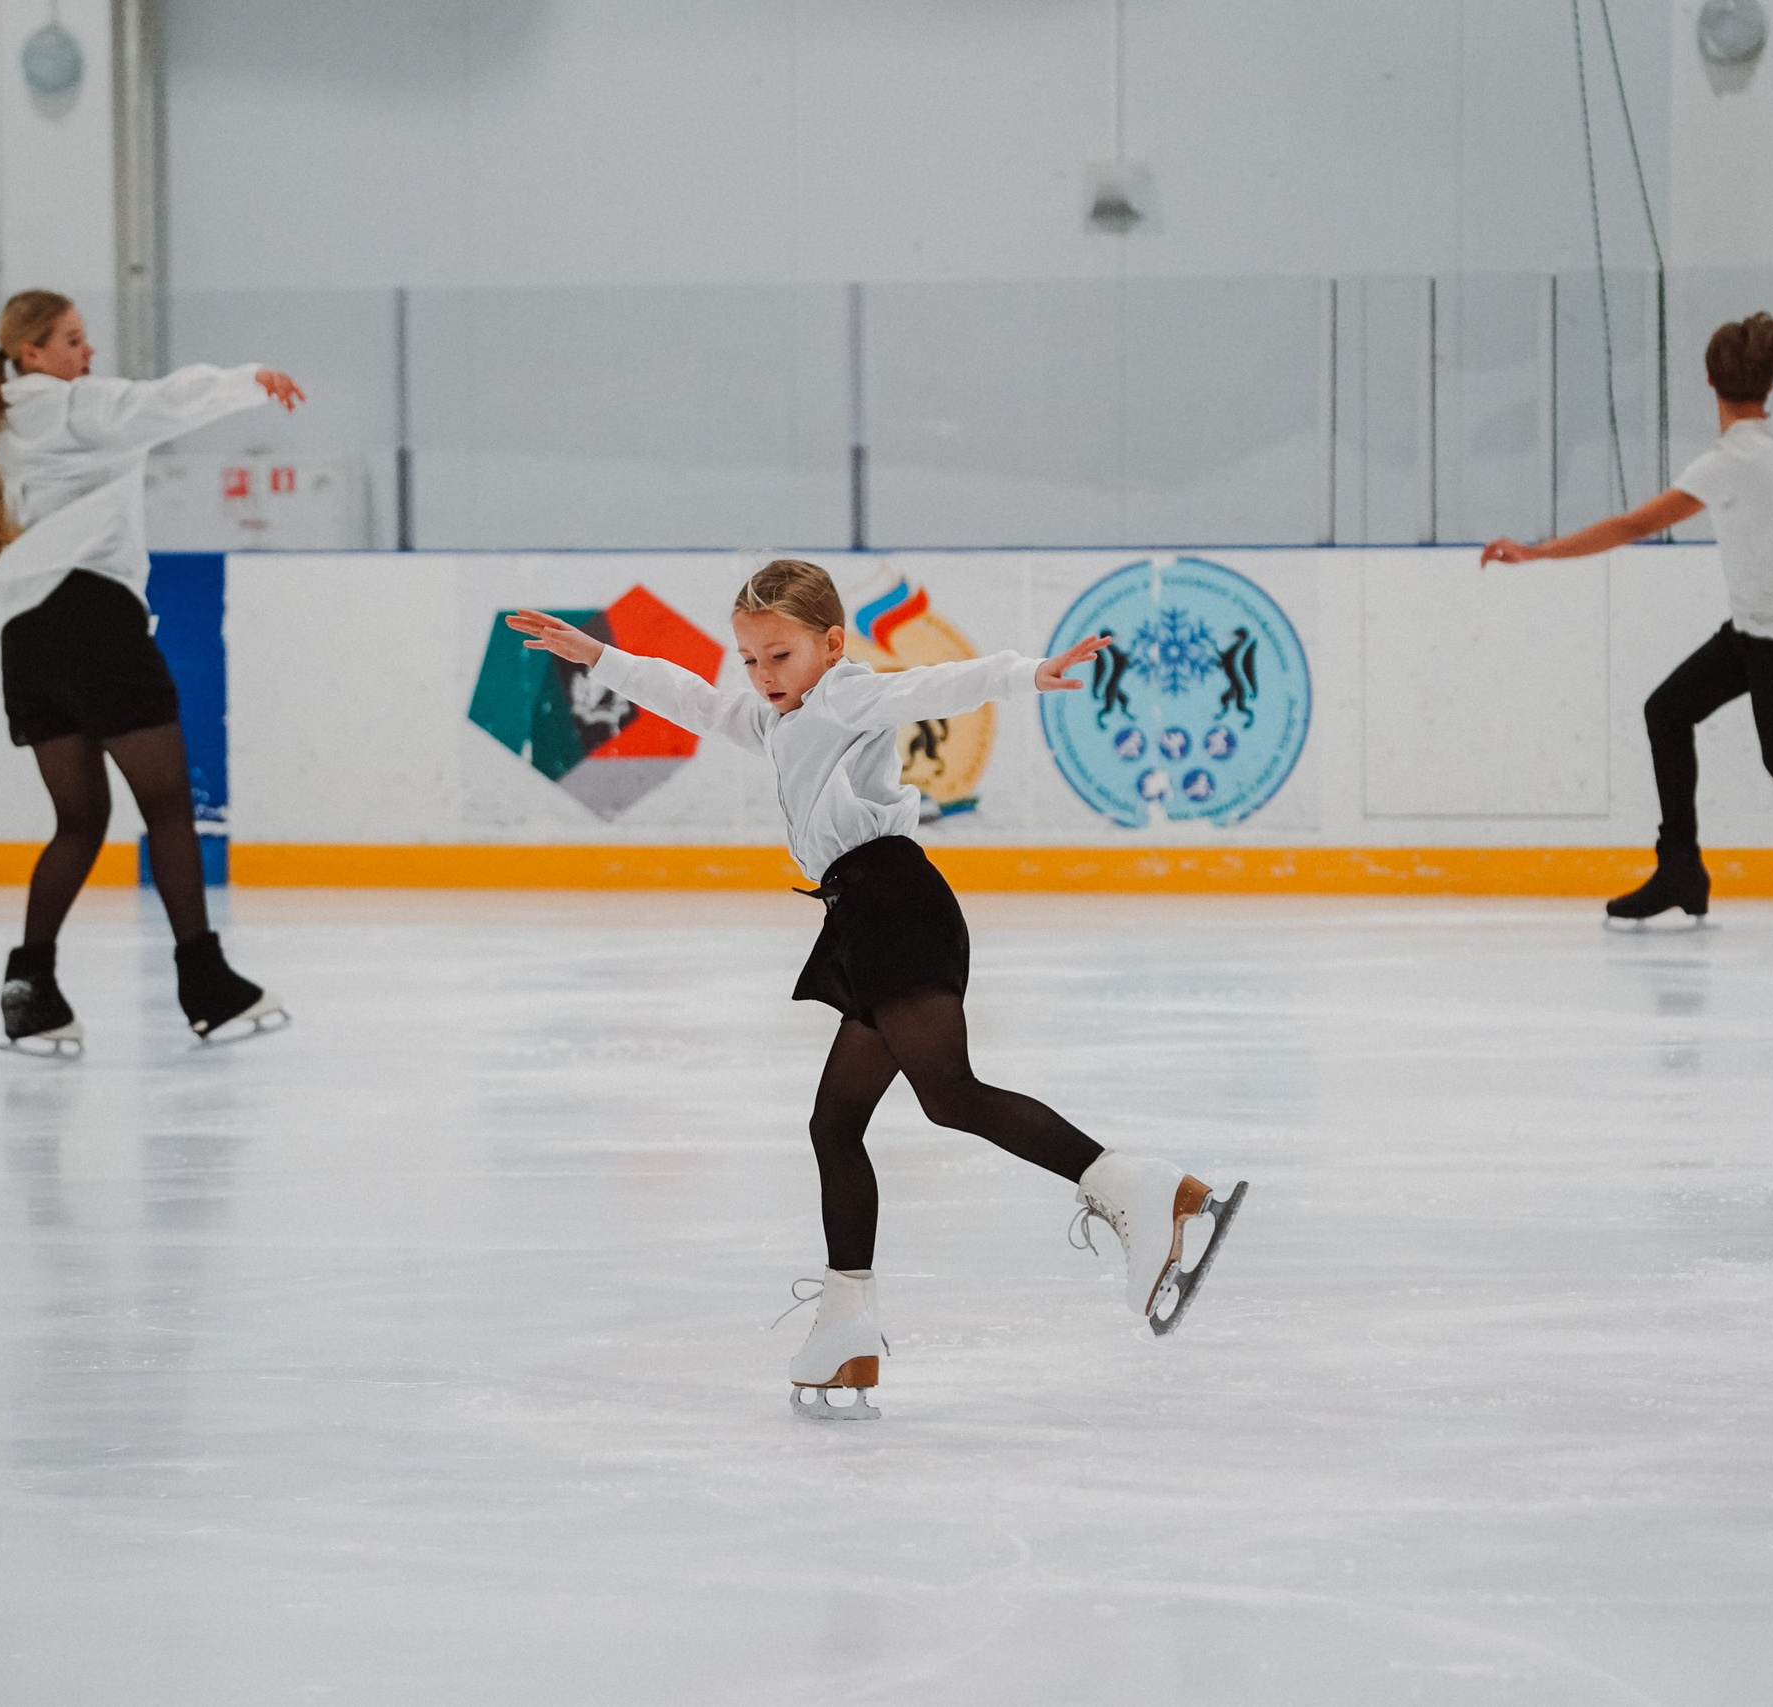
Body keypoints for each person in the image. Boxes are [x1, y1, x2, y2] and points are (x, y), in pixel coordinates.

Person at [507, 560, 1248, 1421]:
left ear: (830, 645)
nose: (761, 676)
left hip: (894, 903)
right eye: (748, 659)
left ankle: (1142, 1187)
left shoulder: (845, 694)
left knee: (950, 1095)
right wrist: (602, 656)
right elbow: (701, 703)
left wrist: (1024, 674)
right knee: (837, 1122)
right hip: (862, 914)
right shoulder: (779, 715)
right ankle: (847, 1324)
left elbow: (930, 685)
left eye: (778, 655)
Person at [1479, 311, 1773, 928]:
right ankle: (1681, 868)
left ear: (1709, 383)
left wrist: (1537, 551)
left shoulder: (1725, 461)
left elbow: (1635, 525)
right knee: (1668, 710)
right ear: (1768, 381)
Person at [0, 290, 298, 1053]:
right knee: (170, 808)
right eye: (73, 341)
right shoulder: (73, 412)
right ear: (31, 355)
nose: (88, 354)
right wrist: (249, 380)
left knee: (78, 823)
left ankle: (29, 987)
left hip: (27, 637)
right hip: (92, 621)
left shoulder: (2, 425)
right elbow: (158, 404)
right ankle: (205, 984)